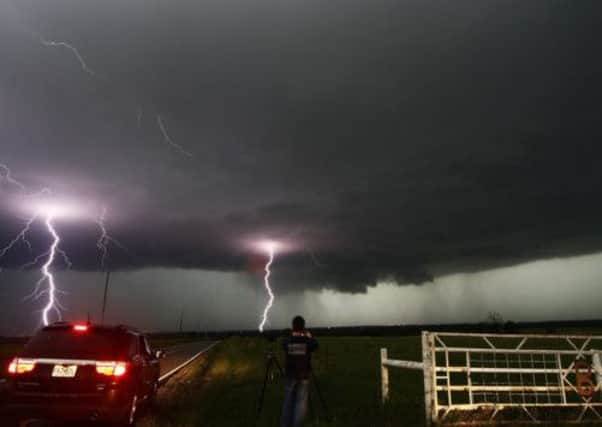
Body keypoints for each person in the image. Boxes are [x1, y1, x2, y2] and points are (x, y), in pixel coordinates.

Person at [280, 315, 318, 427]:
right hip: (303, 375)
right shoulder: (307, 341)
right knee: (300, 404)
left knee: (288, 402)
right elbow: (315, 345)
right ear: (303, 327)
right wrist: (308, 335)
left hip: (290, 375)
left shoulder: (288, 341)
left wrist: (291, 334)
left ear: (293, 327)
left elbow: (283, 344)